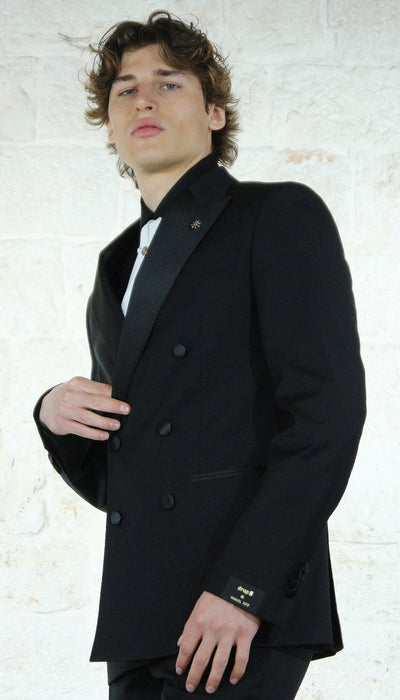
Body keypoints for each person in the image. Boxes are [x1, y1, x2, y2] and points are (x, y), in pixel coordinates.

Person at [34, 10, 366, 699]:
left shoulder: (277, 216)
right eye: (125, 90)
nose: (143, 101)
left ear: (215, 114)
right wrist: (53, 417)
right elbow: (127, 476)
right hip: (139, 615)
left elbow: (326, 417)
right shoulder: (115, 265)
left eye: (168, 83)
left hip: (237, 605)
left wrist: (244, 589)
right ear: (109, 125)